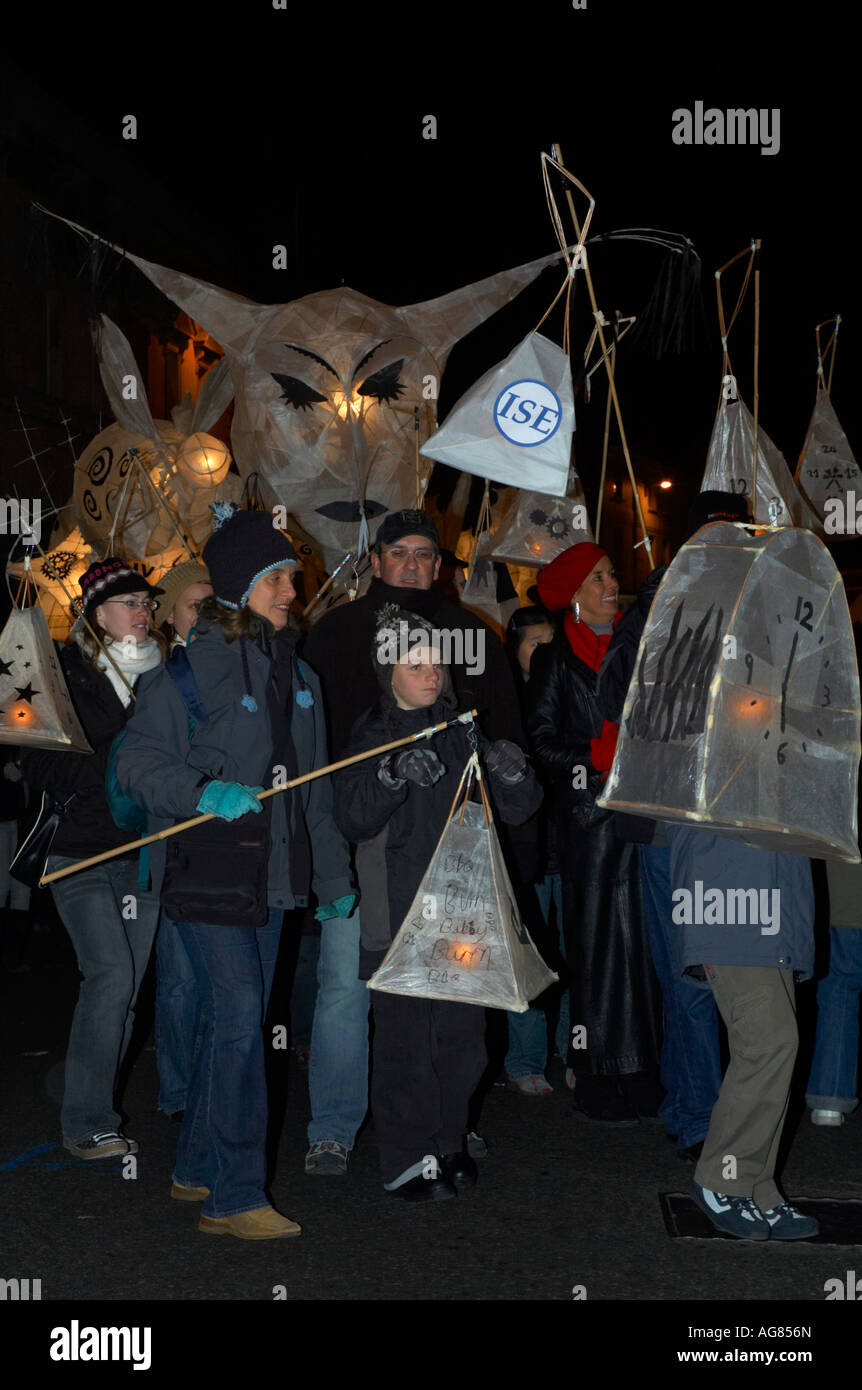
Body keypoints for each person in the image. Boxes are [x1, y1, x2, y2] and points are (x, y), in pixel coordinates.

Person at [116, 504, 354, 1239]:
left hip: (276, 880)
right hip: (204, 875)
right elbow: (134, 763)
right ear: (240, 585)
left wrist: (336, 879)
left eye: (293, 576)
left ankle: (195, 1168)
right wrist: (201, 793)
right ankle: (235, 1195)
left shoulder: (302, 674)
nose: (293, 589)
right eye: (279, 577)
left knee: (233, 1021)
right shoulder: (190, 668)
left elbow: (313, 786)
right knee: (244, 1023)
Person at [300, 507, 526, 1174]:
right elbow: (318, 751)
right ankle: (337, 1125)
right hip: (368, 848)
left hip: (452, 860)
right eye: (399, 553)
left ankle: (444, 1128)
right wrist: (324, 839)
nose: (412, 565)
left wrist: (513, 796)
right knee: (355, 990)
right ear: (375, 559)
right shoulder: (337, 633)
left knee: (455, 1010)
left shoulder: (470, 634)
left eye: (425, 555)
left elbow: (500, 739)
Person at [334, 602, 542, 1200]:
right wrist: (391, 775)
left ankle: (448, 1141)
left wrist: (512, 772)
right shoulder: (371, 733)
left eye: (436, 662)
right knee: (405, 1039)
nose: (430, 674)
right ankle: (406, 1156)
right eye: (414, 663)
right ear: (388, 673)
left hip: (458, 908)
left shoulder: (462, 730)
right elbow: (350, 814)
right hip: (397, 909)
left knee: (461, 1037)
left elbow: (522, 808)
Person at [595, 493, 748, 1159]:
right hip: (666, 829)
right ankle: (698, 1116)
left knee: (720, 977)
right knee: (686, 974)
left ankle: (704, 1109)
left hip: (733, 828)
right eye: (713, 535)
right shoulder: (659, 600)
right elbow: (613, 695)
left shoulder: (758, 608)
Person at [19, 557, 166, 1158]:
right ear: (97, 616)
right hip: (78, 852)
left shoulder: (167, 673)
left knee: (124, 989)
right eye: (130, 603)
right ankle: (86, 1123)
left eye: (147, 603)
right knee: (109, 976)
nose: (143, 612)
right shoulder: (61, 673)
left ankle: (88, 1098)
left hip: (141, 853)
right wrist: (121, 751)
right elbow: (37, 760)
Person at [526, 542, 662, 1123]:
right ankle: (597, 1071)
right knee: (594, 950)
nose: (612, 585)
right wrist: (601, 753)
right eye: (599, 577)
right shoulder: (556, 661)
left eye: (612, 575)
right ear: (575, 592)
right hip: (588, 824)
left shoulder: (646, 648)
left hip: (644, 819)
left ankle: (645, 1069)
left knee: (646, 948)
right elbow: (541, 742)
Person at [149, 559, 213, 1121]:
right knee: (180, 979)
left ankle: (213, 1088)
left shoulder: (243, 668)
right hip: (177, 846)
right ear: (169, 616)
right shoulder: (158, 678)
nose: (207, 615)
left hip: (233, 848)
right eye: (196, 605)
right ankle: (178, 1093)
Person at [502, 606, 562, 1095]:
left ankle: (572, 1050)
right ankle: (526, 1060)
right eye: (533, 643)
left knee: (574, 953)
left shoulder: (569, 690)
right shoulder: (508, 702)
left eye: (550, 641)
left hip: (571, 843)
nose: (543, 652)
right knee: (529, 955)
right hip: (529, 849)